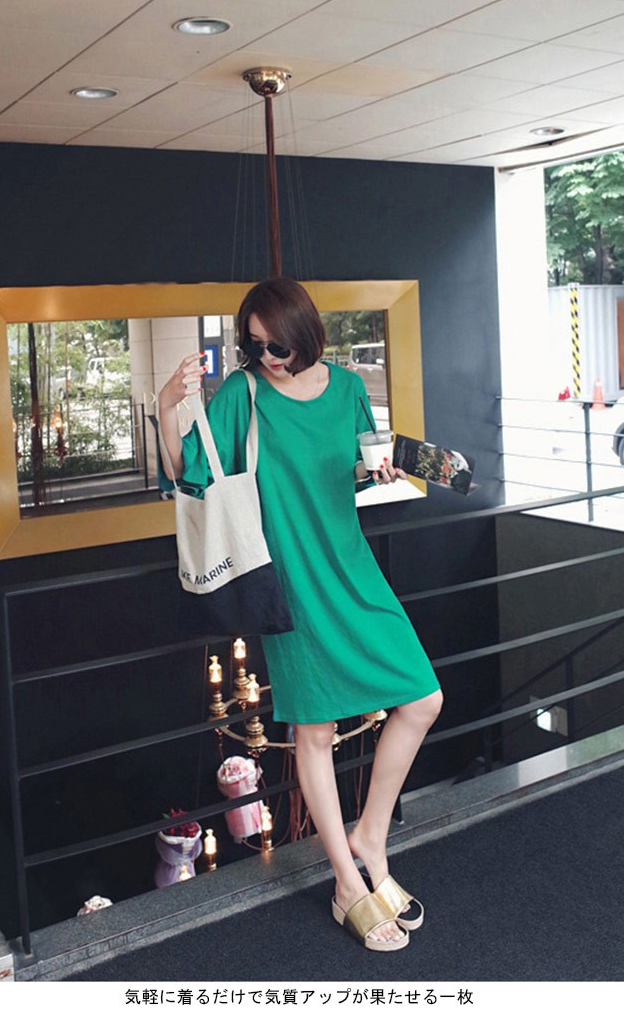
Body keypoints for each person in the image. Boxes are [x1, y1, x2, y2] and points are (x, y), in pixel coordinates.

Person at [159, 278, 443, 952]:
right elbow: (190, 477)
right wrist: (169, 408)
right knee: (314, 731)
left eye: (277, 345)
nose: (267, 357)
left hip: (351, 565)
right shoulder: (244, 392)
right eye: (254, 345)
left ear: (305, 333)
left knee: (423, 699)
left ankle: (369, 837)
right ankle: (348, 882)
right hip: (286, 579)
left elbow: (351, 469)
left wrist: (376, 473)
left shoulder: (347, 388)